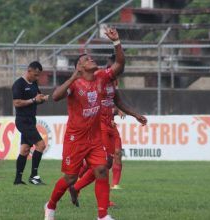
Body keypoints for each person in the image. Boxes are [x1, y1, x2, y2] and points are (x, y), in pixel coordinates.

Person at [44, 28, 124, 220]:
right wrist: (73, 76)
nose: (92, 60)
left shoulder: (101, 78)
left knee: (102, 169)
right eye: (87, 59)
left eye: (91, 58)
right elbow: (55, 97)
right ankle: (50, 205)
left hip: (95, 138)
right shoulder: (74, 84)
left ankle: (103, 216)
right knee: (71, 178)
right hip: (75, 139)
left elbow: (120, 64)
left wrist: (116, 42)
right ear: (79, 66)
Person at [69, 54, 147, 206]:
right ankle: (81, 190)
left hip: (111, 124)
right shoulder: (99, 79)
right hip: (99, 125)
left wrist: (135, 115)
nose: (117, 73)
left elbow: (118, 102)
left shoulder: (112, 83)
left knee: (109, 162)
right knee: (104, 164)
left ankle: (77, 187)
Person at [12, 61, 49, 185]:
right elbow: (16, 102)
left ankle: (18, 180)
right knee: (41, 145)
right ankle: (34, 177)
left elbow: (36, 98)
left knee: (25, 149)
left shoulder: (33, 83)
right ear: (29, 71)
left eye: (39, 75)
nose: (37, 77)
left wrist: (42, 99)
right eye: (36, 74)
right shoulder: (18, 84)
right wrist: (33, 100)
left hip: (31, 120)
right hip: (23, 121)